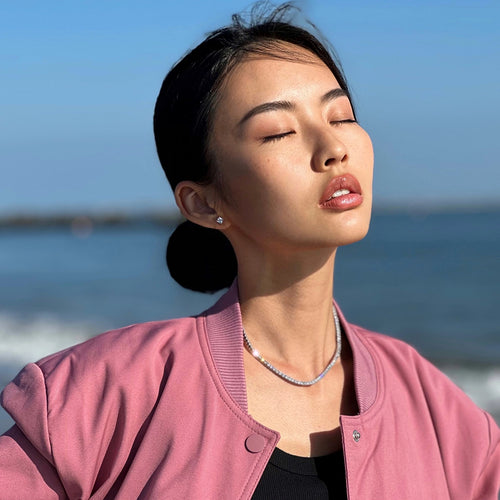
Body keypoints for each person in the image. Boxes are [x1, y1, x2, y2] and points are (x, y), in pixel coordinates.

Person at [1, 3, 499, 499]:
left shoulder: (441, 415)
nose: (333, 147)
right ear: (202, 202)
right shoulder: (97, 399)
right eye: (278, 130)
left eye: (341, 115)